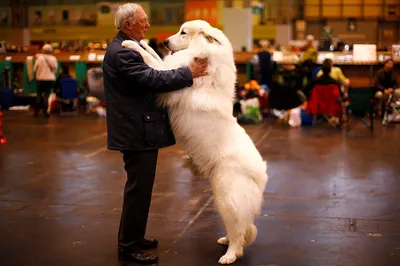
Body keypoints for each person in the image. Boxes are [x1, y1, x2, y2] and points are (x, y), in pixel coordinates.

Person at [102, 3, 208, 264]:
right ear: (129, 25)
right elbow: (152, 79)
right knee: (138, 190)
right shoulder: (123, 53)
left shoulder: (131, 46)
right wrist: (188, 73)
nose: (148, 25)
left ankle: (135, 237)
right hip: (134, 131)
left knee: (142, 189)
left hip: (139, 128)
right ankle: (128, 247)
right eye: (144, 21)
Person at [33, 44, 58, 117]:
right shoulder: (53, 58)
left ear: (43, 50)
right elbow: (55, 69)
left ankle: (36, 112)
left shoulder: (40, 58)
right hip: (49, 79)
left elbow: (35, 69)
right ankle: (45, 112)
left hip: (40, 79)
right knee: (47, 95)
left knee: (39, 95)